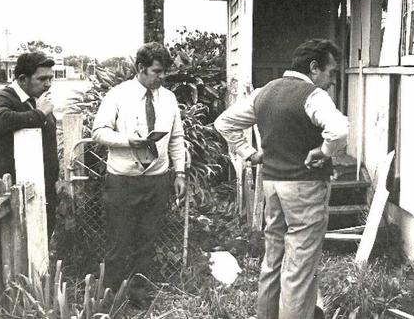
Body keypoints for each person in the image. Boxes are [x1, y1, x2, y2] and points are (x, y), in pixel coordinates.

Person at [215, 39, 348, 319]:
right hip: (305, 189)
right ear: (314, 68)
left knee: (273, 259)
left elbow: (224, 122)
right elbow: (338, 130)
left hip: (272, 187)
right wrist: (322, 152)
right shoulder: (312, 95)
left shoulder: (265, 93)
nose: (333, 81)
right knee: (299, 268)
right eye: (331, 72)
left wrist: (249, 153)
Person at [92, 42, 186, 297]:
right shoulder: (117, 95)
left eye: (165, 71)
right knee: (118, 241)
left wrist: (179, 173)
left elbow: (177, 138)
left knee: (147, 241)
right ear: (141, 68)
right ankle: (110, 297)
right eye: (157, 71)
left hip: (156, 181)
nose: (162, 77)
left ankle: (138, 295)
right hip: (123, 180)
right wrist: (127, 141)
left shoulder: (169, 98)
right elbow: (98, 131)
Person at [0, 51, 58, 240]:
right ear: (23, 79)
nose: (48, 84)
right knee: (16, 243)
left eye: (50, 78)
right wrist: (40, 114)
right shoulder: (4, 97)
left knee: (42, 238)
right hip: (14, 189)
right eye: (42, 79)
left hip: (43, 185)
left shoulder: (38, 99)